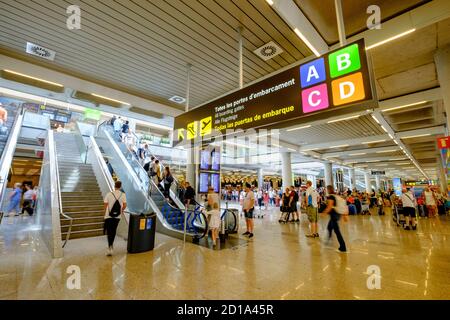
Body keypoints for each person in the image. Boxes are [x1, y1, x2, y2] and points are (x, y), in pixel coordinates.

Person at [321, 185, 348, 253]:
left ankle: (343, 247)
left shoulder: (330, 196)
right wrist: (344, 215)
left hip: (334, 215)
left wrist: (324, 213)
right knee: (329, 227)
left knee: (337, 231)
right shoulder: (336, 195)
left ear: (328, 190)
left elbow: (330, 206)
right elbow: (342, 204)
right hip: (338, 214)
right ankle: (328, 239)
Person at [103, 181, 127, 256]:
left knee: (109, 231)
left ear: (114, 186)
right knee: (113, 230)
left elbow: (105, 205)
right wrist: (121, 210)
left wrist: (104, 214)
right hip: (117, 216)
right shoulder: (123, 195)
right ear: (120, 187)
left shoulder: (109, 194)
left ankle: (110, 247)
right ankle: (111, 246)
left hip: (108, 216)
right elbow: (125, 205)